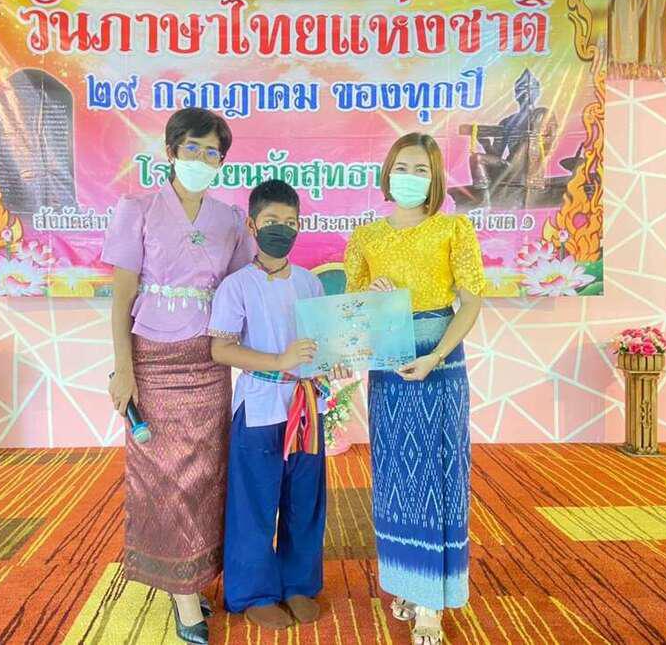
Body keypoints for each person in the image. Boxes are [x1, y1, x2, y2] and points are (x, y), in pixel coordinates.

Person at [102, 107, 255, 645]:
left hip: (210, 362)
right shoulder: (137, 210)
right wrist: (124, 370)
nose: (202, 159)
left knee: (205, 476)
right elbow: (121, 298)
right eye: (193, 148)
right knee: (163, 477)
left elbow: (242, 292)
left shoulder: (230, 220)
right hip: (152, 361)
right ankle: (183, 595)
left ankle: (194, 574)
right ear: (170, 151)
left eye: (213, 152)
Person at [344, 133, 485, 645]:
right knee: (395, 474)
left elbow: (470, 302)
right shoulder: (366, 237)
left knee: (436, 473)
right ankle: (406, 582)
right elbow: (353, 312)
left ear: (435, 178)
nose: (410, 177)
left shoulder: (453, 229)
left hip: (438, 362)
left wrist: (436, 356)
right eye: (402, 167)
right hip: (389, 367)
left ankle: (431, 603)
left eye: (421, 169)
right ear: (387, 173)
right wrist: (371, 298)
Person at [208, 179, 350, 630]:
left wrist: (335, 360)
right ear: (252, 226)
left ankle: (299, 585)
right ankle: (254, 591)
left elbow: (324, 343)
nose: (281, 229)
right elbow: (221, 349)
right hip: (259, 407)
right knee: (254, 501)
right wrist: (279, 361)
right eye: (271, 220)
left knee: (305, 500)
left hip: (306, 406)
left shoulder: (311, 283)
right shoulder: (236, 286)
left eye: (290, 222)